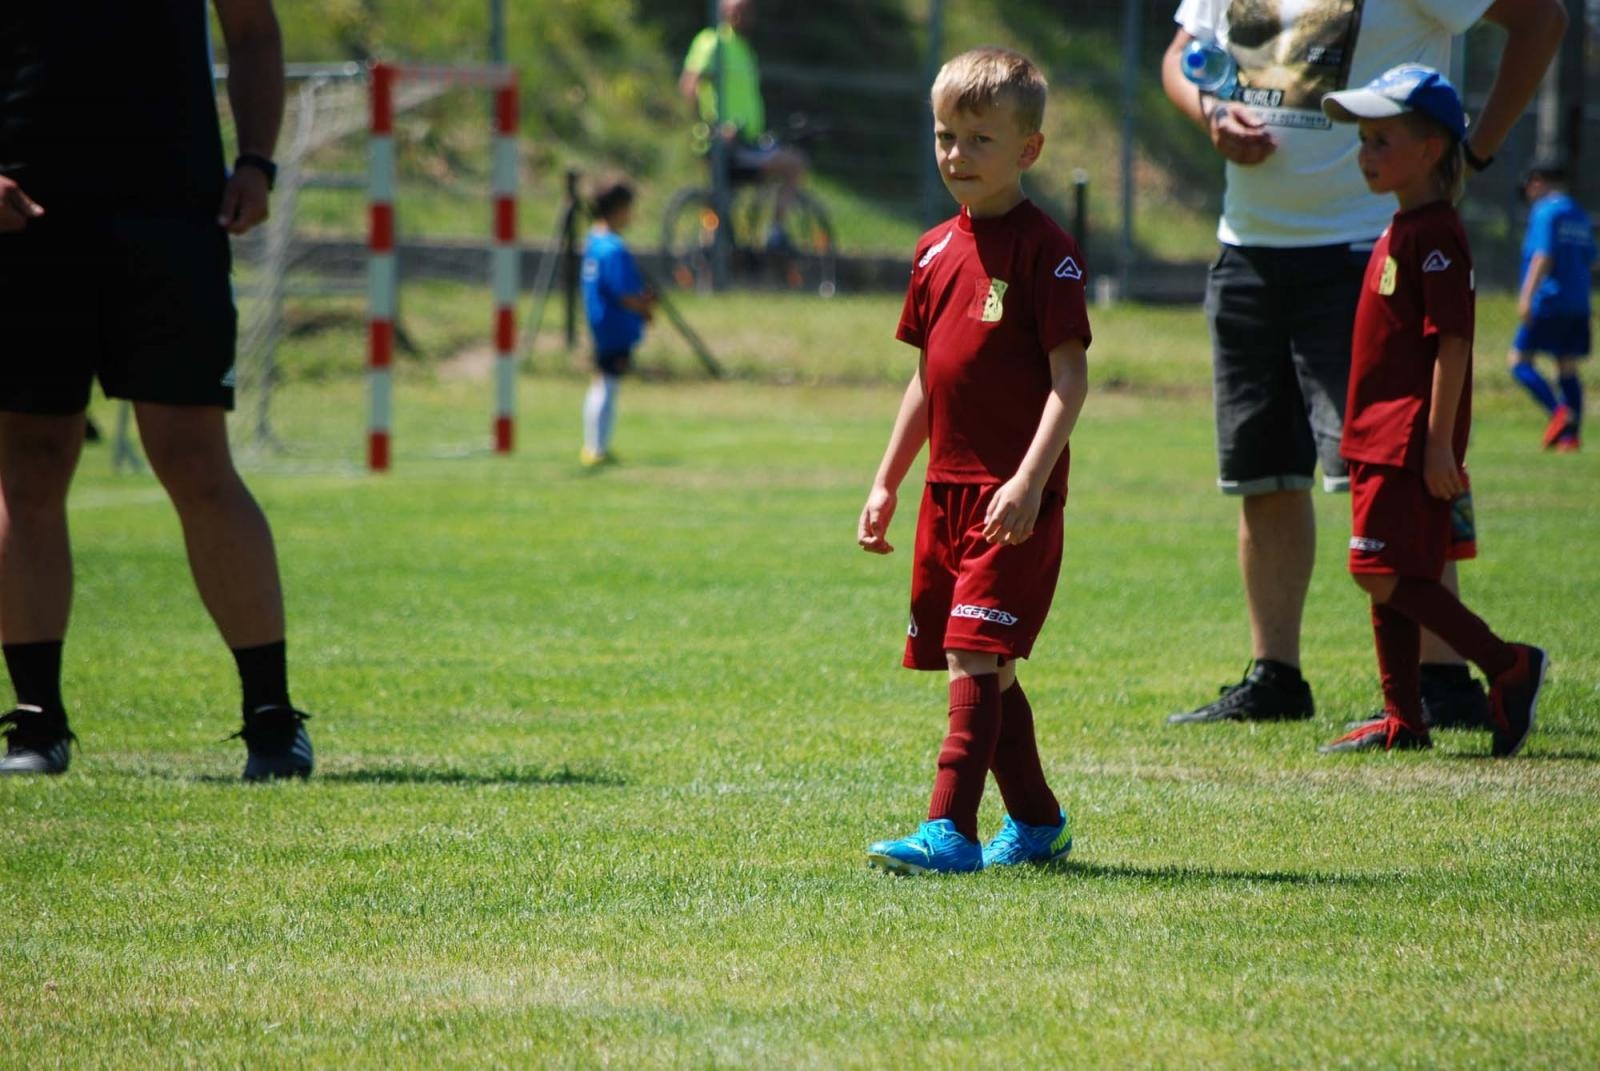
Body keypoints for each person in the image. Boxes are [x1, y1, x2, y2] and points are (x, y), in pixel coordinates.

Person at [1159, 0, 1566, 730]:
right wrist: (1209, 113)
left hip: (1367, 248)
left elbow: (1542, 18)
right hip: (1247, 245)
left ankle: (1443, 678)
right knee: (1265, 471)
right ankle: (1275, 675)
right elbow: (1182, 52)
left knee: (1400, 479)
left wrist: (1474, 151)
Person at [0, 0, 314, 780]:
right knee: (28, 465)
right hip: (25, 216)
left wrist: (256, 162)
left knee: (194, 459)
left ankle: (272, 720)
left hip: (171, 213)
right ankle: (37, 725)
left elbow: (253, 30)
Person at [856, 48, 1090, 874]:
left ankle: (947, 830)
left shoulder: (1046, 251)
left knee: (972, 653)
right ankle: (1037, 821)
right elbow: (929, 381)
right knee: (991, 668)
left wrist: (1030, 480)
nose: (956, 155)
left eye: (978, 139)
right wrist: (888, 478)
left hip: (1010, 498)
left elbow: (1071, 378)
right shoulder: (929, 253)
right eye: (944, 136)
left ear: (1027, 150)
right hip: (944, 497)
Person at [1313, 65, 1545, 756]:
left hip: (1409, 437)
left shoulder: (1438, 233)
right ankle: (1403, 718)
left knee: (1377, 568)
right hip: (1372, 434)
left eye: (1382, 140)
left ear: (1432, 148)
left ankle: (1507, 663)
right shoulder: (1403, 227)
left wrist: (1440, 442)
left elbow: (1455, 344)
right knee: (1389, 568)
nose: (1366, 154)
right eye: (1364, 140)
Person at [678, 0, 807, 246]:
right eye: (738, 11)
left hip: (748, 141)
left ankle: (721, 251)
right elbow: (689, 86)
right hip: (727, 144)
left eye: (747, 11)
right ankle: (775, 234)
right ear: (725, 12)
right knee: (794, 164)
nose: (744, 17)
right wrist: (709, 128)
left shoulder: (744, 48)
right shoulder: (712, 42)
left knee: (726, 206)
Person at [1507, 159, 1595, 452]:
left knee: (1518, 361)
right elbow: (1592, 259)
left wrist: (1526, 296)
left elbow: (1542, 256)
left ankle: (1558, 413)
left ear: (1537, 181)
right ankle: (1570, 438)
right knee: (1566, 366)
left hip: (1549, 300)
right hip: (1578, 302)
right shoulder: (1578, 213)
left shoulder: (1545, 211)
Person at [579, 178, 654, 467]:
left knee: (602, 382)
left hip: (599, 322)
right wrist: (644, 307)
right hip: (615, 325)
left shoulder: (593, 241)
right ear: (619, 208)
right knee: (607, 385)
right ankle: (596, 448)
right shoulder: (613, 248)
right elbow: (624, 294)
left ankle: (595, 446)